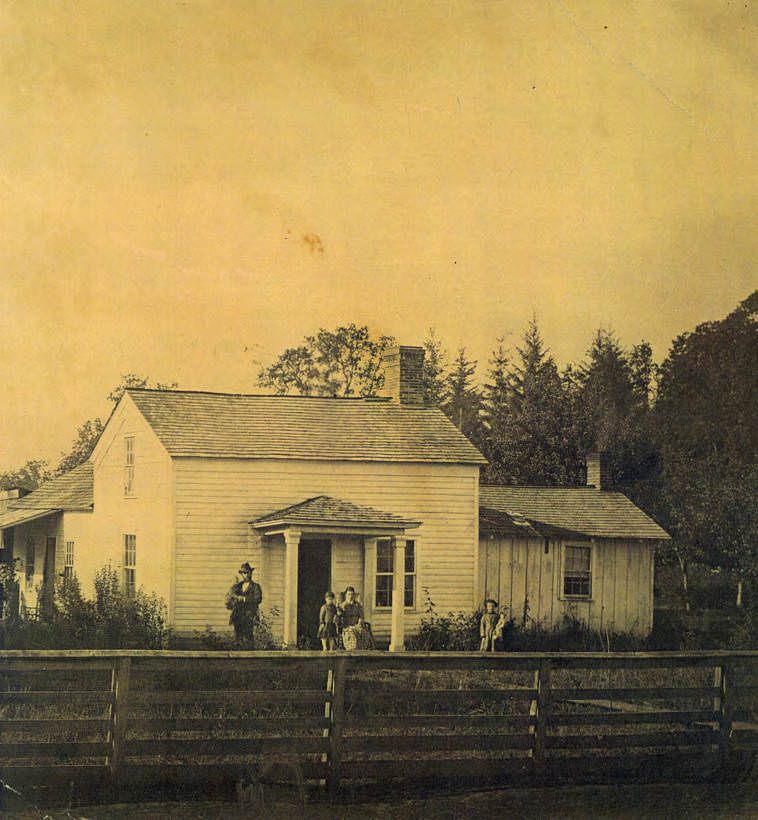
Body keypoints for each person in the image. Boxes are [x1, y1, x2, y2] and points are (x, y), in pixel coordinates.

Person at [225, 562, 262, 646]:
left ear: (251, 573)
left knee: (248, 638)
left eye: (247, 572)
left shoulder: (255, 586)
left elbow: (258, 599)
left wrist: (244, 599)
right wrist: (231, 599)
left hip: (249, 616)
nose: (246, 575)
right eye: (243, 573)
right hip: (238, 616)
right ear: (241, 574)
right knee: (238, 639)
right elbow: (231, 597)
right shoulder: (238, 586)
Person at [339, 585, 364, 650]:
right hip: (346, 627)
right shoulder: (342, 605)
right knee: (351, 633)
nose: (350, 596)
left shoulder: (358, 605)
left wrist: (359, 623)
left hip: (356, 626)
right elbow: (339, 616)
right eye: (349, 594)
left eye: (352, 594)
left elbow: (361, 616)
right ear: (346, 595)